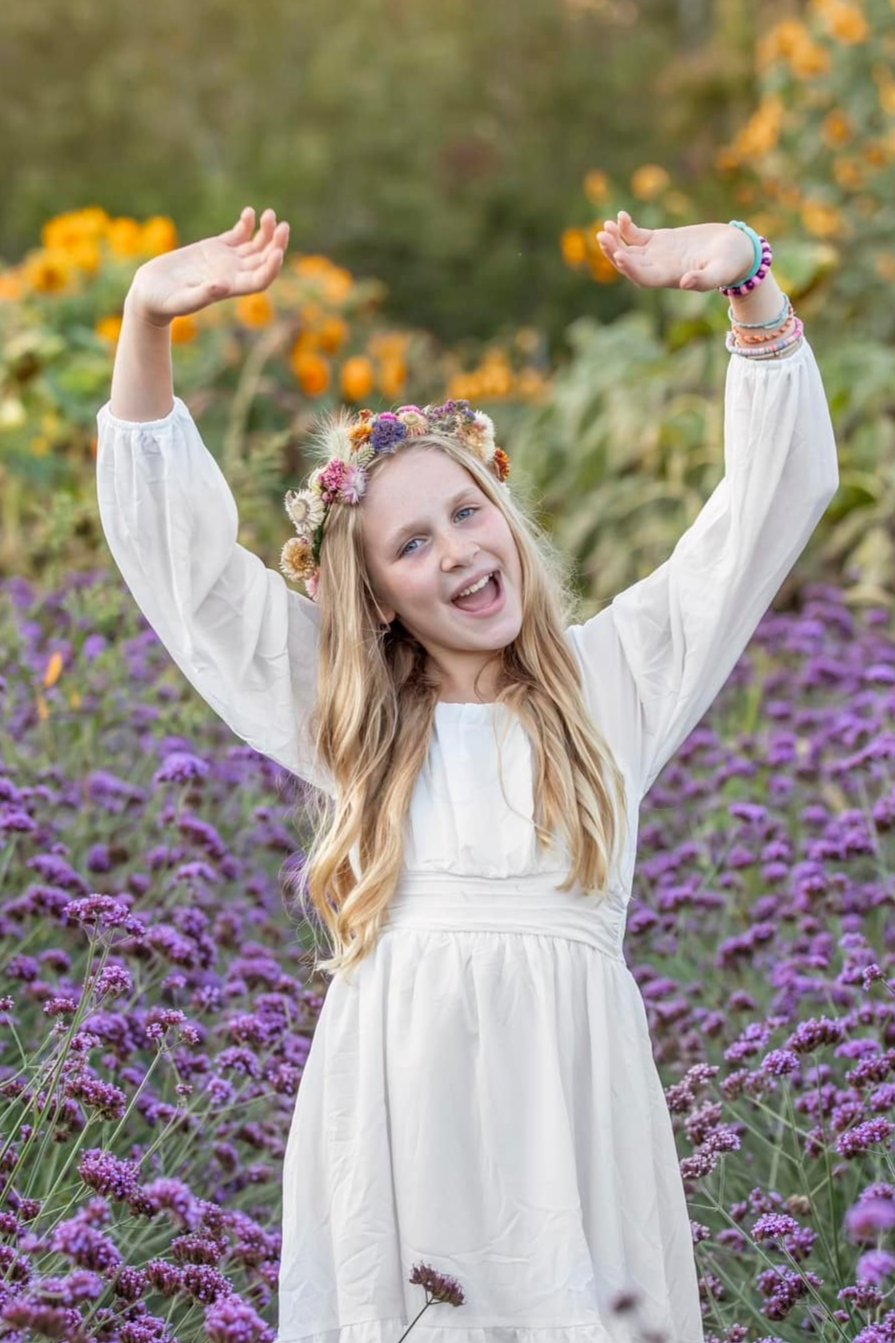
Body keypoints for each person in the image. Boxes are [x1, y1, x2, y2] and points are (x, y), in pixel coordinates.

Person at [96, 205, 839, 1343]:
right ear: (378, 596)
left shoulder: (614, 681)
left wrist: (749, 279)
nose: (456, 550)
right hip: (399, 1106)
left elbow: (758, 517)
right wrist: (146, 314)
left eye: (465, 511)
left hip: (574, 1108)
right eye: (410, 544)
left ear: (505, 513)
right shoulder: (350, 712)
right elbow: (184, 572)